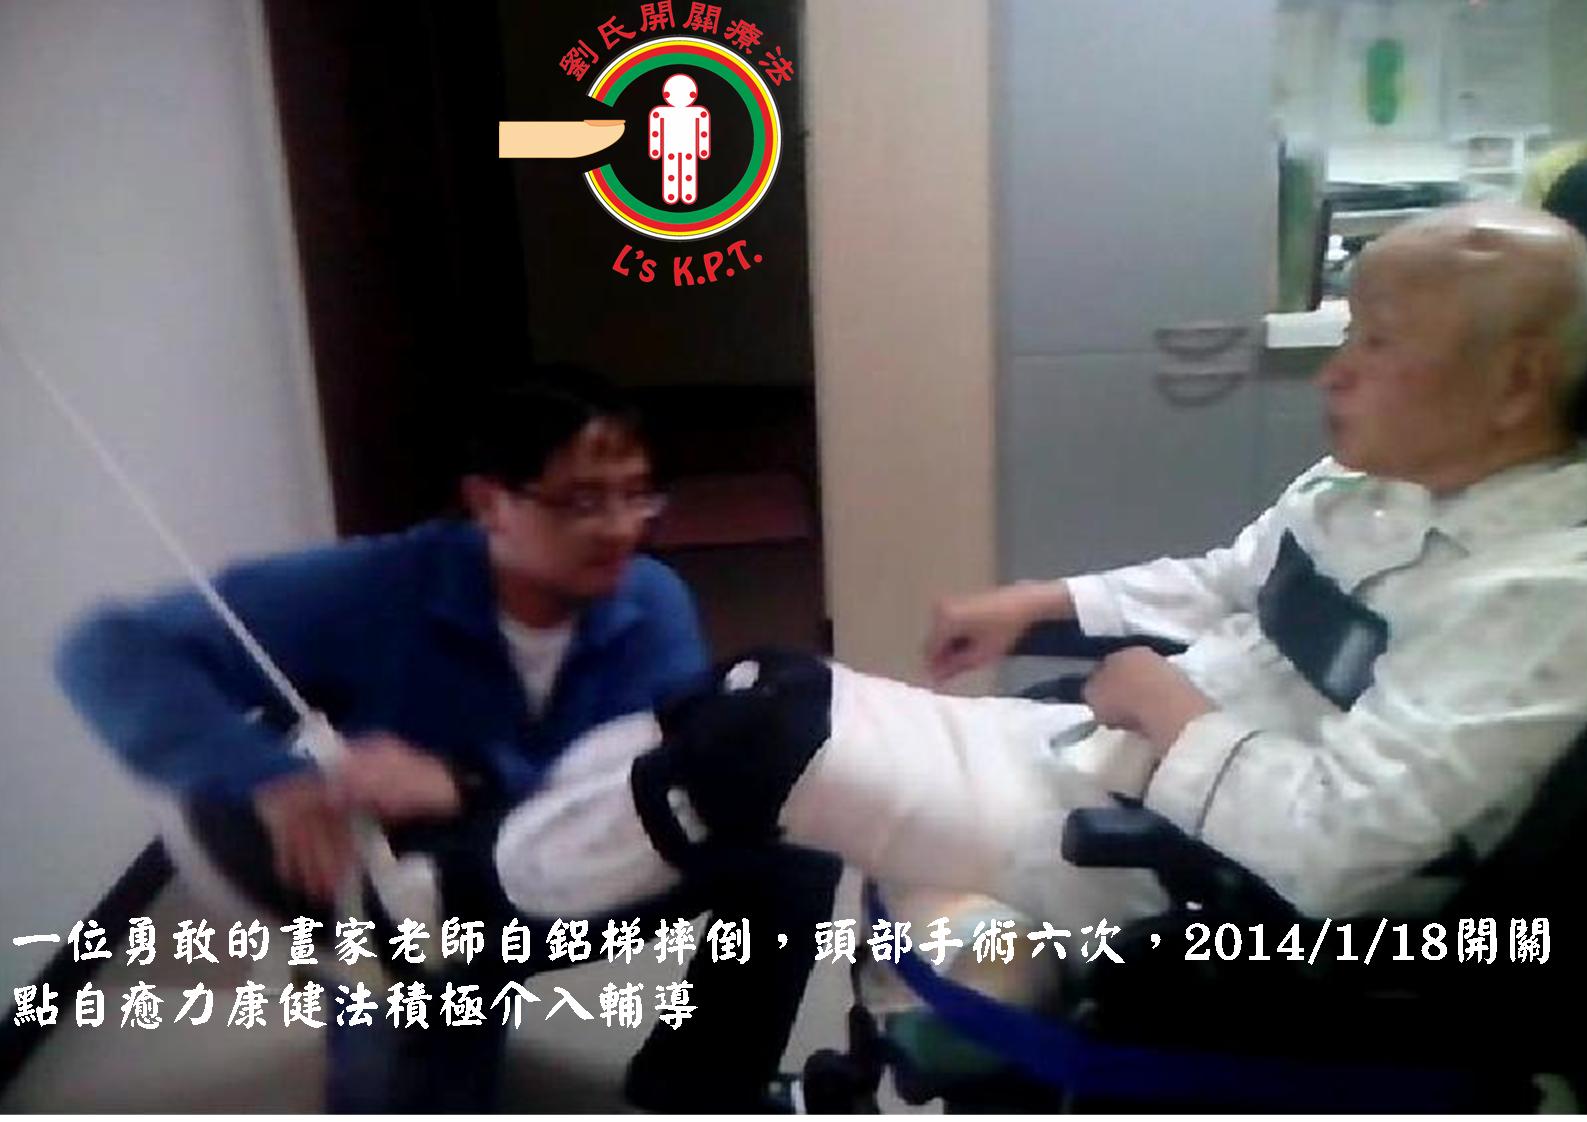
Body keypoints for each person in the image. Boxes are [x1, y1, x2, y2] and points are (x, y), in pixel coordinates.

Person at [486, 201, 1587, 971]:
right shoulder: (1369, 487)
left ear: (1515, 385)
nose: (1336, 372)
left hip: (1190, 873)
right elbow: (1223, 586)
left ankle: (475, 910)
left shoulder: (1544, 595)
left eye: (1377, 344)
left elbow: (1344, 850)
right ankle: (518, 908)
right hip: (1110, 760)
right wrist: (1037, 604)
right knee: (754, 687)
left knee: (758, 742)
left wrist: (1170, 709)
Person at [54, 363, 840, 1112]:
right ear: (490, 502)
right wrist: (267, 777)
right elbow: (110, 651)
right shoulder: (374, 587)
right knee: (418, 1087)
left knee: (791, 837)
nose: (619, 528)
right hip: (416, 909)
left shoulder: (651, 602)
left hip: (577, 869)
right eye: (580, 501)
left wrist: (466, 780)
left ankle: (700, 1086)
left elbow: (655, 778)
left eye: (637, 496)